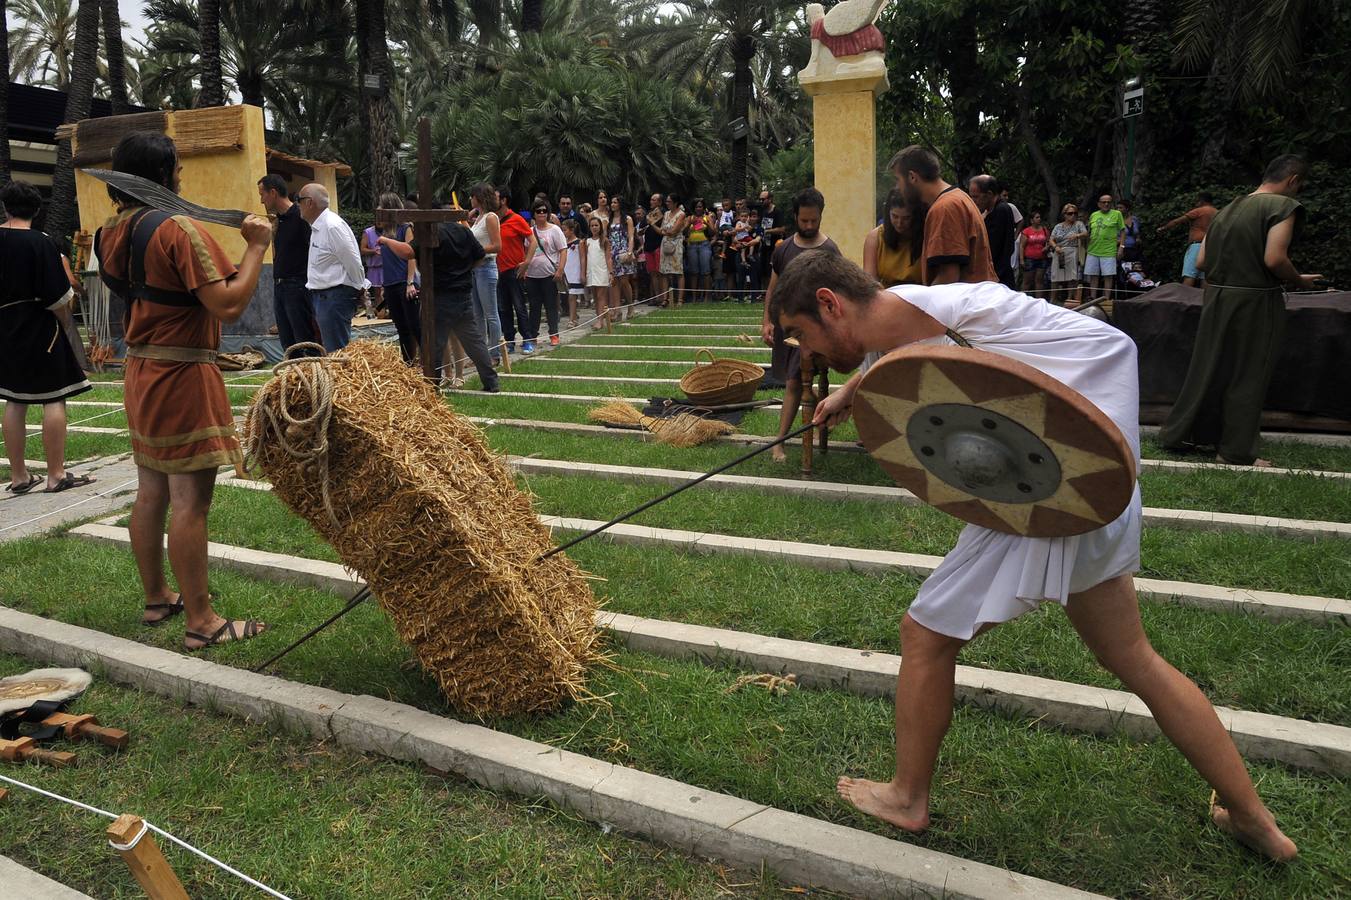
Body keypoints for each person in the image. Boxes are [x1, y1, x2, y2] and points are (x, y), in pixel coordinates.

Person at [770, 248, 1299, 864]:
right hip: (1094, 497)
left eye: (800, 334)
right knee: (1133, 656)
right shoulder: (939, 315)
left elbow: (1111, 349)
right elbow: (917, 344)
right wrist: (854, 390)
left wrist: (1067, 451)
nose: (803, 352)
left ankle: (907, 796)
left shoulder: (976, 308)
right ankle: (1251, 815)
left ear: (830, 304)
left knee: (925, 635)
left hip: (1049, 502)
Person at [95, 132, 271, 649]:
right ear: (167, 173)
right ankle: (202, 621)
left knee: (151, 491)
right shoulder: (179, 230)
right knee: (190, 501)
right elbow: (230, 305)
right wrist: (257, 247)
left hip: (142, 371)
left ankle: (158, 598)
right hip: (181, 376)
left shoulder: (112, 231)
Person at [1158, 156, 1321, 468]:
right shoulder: (1282, 208)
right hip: (1255, 301)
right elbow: (1274, 259)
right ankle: (1234, 450)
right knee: (1249, 372)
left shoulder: (1226, 210)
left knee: (1210, 368)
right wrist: (1299, 279)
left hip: (1217, 298)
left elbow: (1202, 263)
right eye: (1299, 185)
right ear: (1292, 180)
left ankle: (1184, 434)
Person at [0, 180, 93, 495]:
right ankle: (55, 474)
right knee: (54, 397)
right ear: (37, 210)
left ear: (5, 206)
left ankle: (19, 476)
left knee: (14, 399)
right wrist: (64, 322)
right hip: (39, 326)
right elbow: (58, 297)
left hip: (4, 327)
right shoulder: (40, 243)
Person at [762, 188, 840, 463]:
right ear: (795, 216)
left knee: (796, 382)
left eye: (813, 221)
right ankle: (829, 411)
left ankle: (779, 441)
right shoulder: (784, 249)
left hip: (816, 330)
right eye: (804, 221)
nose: (809, 226)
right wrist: (767, 321)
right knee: (793, 380)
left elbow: (836, 294)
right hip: (787, 326)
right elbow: (774, 287)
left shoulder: (829, 250)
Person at [384, 213, 500, 392]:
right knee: (474, 342)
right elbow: (479, 255)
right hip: (463, 294)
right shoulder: (463, 230)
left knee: (433, 344)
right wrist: (465, 270)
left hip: (440, 297)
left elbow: (407, 252)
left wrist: (386, 240)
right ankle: (491, 382)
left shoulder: (430, 233)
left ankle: (431, 386)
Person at [890, 146, 996, 285]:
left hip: (964, 304)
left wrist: (922, 305)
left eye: (898, 179)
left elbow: (947, 278)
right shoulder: (957, 198)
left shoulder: (945, 208)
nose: (897, 187)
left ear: (912, 177)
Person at [256, 174, 320, 355]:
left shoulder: (301, 217)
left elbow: (314, 251)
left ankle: (313, 378)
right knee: (287, 342)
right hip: (280, 285)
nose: (261, 200)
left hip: (298, 285)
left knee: (304, 339)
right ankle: (293, 379)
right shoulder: (278, 221)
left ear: (273, 193)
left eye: (262, 194)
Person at [298, 183, 367, 352]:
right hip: (324, 298)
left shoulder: (332, 226)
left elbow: (353, 261)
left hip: (334, 297)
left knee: (337, 353)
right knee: (332, 351)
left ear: (309, 202)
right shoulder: (319, 227)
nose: (297, 205)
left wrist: (360, 288)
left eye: (298, 200)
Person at [365, 193, 420, 364]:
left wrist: (410, 282)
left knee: (415, 326)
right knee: (401, 327)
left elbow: (412, 256)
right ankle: (408, 363)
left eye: (381, 208)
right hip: (390, 283)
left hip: (404, 282)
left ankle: (426, 363)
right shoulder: (384, 233)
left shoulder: (405, 228)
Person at [521, 198, 568, 350]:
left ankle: (554, 334)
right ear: (533, 214)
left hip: (550, 275)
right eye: (538, 211)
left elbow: (563, 250)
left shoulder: (555, 230)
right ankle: (533, 336)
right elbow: (526, 251)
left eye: (544, 211)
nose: (541, 213)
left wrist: (560, 270)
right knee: (534, 307)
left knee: (551, 306)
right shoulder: (530, 231)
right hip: (532, 275)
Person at [467, 183, 503, 365]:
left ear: (478, 197)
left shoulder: (491, 217)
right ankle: (480, 354)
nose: (470, 199)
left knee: (491, 314)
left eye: (472, 196)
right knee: (477, 315)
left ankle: (494, 353)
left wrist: (476, 249)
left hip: (487, 267)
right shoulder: (478, 218)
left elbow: (497, 246)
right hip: (474, 269)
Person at [494, 186, 532, 354]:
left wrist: (526, 262)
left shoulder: (516, 219)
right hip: (497, 270)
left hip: (514, 269)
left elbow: (533, 240)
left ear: (503, 200)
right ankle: (509, 340)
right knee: (503, 308)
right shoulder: (492, 219)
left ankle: (527, 339)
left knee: (519, 306)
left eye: (494, 197)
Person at [863, 188, 923, 288]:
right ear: (888, 213)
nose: (899, 223)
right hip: (886, 295)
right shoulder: (875, 237)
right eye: (895, 216)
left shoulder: (926, 235)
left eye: (906, 218)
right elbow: (870, 281)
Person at [1157, 192, 1220, 287]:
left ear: (1201, 201)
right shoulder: (1217, 213)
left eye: (1197, 201)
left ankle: (1183, 301)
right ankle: (1203, 301)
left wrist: (1163, 228)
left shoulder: (1199, 211)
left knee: (1189, 275)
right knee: (1204, 277)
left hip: (1197, 246)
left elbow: (1177, 221)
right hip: (1210, 246)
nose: (1195, 203)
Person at [968, 175, 1017, 289]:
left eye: (976, 197)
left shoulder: (1001, 210)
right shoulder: (990, 212)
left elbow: (995, 247)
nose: (973, 201)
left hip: (999, 277)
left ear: (989, 194)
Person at [1084, 193, 1125, 299]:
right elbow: (1089, 231)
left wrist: (1121, 247)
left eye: (1109, 202)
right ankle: (1092, 298)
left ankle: (1105, 299)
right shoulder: (1094, 214)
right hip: (1093, 249)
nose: (1106, 204)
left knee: (1108, 276)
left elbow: (1123, 231)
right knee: (1093, 275)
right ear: (1099, 204)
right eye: (1104, 202)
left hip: (1108, 250)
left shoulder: (1117, 214)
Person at [1048, 203, 1087, 305]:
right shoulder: (1058, 226)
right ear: (1064, 214)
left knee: (1072, 276)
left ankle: (1069, 298)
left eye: (1075, 213)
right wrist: (1055, 247)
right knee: (1055, 276)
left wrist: (1077, 235)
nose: (1073, 215)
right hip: (1059, 251)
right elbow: (1051, 239)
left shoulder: (1078, 224)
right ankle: (1053, 299)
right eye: (1070, 213)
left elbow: (1085, 233)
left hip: (1072, 250)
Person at [581, 215, 614, 328]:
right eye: (592, 225)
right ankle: (599, 317)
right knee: (595, 296)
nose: (594, 228)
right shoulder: (586, 241)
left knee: (601, 296)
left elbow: (608, 257)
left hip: (602, 270)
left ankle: (600, 321)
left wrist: (610, 272)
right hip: (591, 271)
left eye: (596, 225)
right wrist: (583, 273)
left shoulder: (604, 241)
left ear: (600, 226)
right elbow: (584, 258)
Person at [607, 197, 637, 322]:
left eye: (615, 202)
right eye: (612, 202)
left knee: (624, 281)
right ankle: (617, 311)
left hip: (624, 251)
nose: (612, 204)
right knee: (615, 282)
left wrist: (630, 251)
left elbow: (631, 236)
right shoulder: (609, 219)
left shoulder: (627, 219)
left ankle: (630, 306)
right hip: (613, 252)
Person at [684, 198, 714, 303]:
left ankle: (706, 297)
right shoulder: (689, 218)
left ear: (703, 207)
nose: (698, 208)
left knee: (706, 272)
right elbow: (683, 231)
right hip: (692, 245)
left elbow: (713, 232)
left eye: (700, 206)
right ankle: (694, 298)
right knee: (694, 273)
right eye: (697, 206)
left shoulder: (707, 217)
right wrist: (690, 223)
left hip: (704, 245)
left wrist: (706, 223)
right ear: (694, 208)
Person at [659, 193, 687, 307]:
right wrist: (665, 231)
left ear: (675, 203)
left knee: (678, 272)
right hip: (665, 243)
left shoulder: (681, 214)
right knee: (664, 272)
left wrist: (666, 231)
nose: (667, 203)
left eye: (669, 201)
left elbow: (674, 231)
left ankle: (680, 299)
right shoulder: (666, 214)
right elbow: (662, 229)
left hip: (677, 244)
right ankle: (665, 299)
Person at [1017, 210, 1051, 299]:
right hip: (1029, 258)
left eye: (1039, 217)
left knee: (1039, 280)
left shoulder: (1044, 230)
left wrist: (1047, 247)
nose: (1039, 219)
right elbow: (1022, 246)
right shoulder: (1026, 231)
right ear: (1032, 220)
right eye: (1037, 217)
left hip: (1042, 257)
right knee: (1027, 281)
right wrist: (1021, 259)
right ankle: (1022, 299)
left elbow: (1048, 241)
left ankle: (1039, 300)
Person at [560, 218, 586, 325]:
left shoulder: (579, 242)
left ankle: (572, 319)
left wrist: (582, 273)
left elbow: (583, 258)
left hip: (575, 271)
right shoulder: (563, 243)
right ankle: (574, 315)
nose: (563, 232)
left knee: (572, 296)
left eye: (565, 230)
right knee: (567, 295)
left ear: (572, 230)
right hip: (566, 271)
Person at [643, 193, 665, 303]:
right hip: (648, 246)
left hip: (658, 245)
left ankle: (663, 297)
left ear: (660, 202)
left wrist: (650, 222)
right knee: (652, 273)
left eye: (654, 200)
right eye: (651, 200)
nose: (651, 202)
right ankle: (657, 297)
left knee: (659, 272)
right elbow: (643, 225)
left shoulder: (664, 213)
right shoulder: (648, 213)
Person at [359, 220, 383, 318]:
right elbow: (362, 250)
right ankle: (381, 313)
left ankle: (391, 313)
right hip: (374, 267)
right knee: (377, 293)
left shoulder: (390, 231)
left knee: (388, 292)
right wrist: (373, 251)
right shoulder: (368, 232)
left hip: (388, 266)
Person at [1118, 199, 1142, 263]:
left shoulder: (1134, 219)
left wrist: (1138, 238)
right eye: (1117, 208)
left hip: (1135, 250)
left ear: (1127, 208)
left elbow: (1138, 232)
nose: (1118, 210)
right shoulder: (1116, 221)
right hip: (1122, 250)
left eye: (1121, 208)